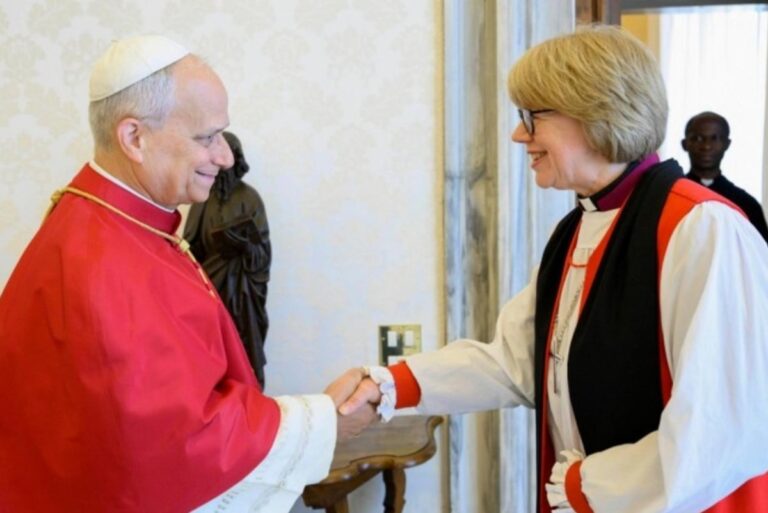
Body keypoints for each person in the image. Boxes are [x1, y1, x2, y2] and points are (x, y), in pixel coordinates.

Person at [328, 25, 768, 513]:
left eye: (532, 117)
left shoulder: (702, 228)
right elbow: (516, 359)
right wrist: (388, 385)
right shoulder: (578, 226)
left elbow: (725, 423)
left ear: (595, 114)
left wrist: (585, 485)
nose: (519, 135)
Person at [0, 35, 374, 513]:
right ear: (134, 137)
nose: (223, 157)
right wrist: (325, 422)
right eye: (206, 138)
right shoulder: (99, 260)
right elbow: (175, 449)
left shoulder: (115, 222)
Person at [184, 131, 271, 388]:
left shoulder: (250, 198)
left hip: (243, 293)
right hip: (210, 287)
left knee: (245, 349)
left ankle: (251, 401)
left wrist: (244, 246)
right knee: (209, 349)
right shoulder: (202, 199)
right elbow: (188, 248)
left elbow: (262, 254)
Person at [681, 111, 768, 243]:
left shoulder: (746, 204)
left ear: (727, 144)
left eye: (715, 138)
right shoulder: (671, 196)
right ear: (685, 144)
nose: (706, 146)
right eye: (698, 138)